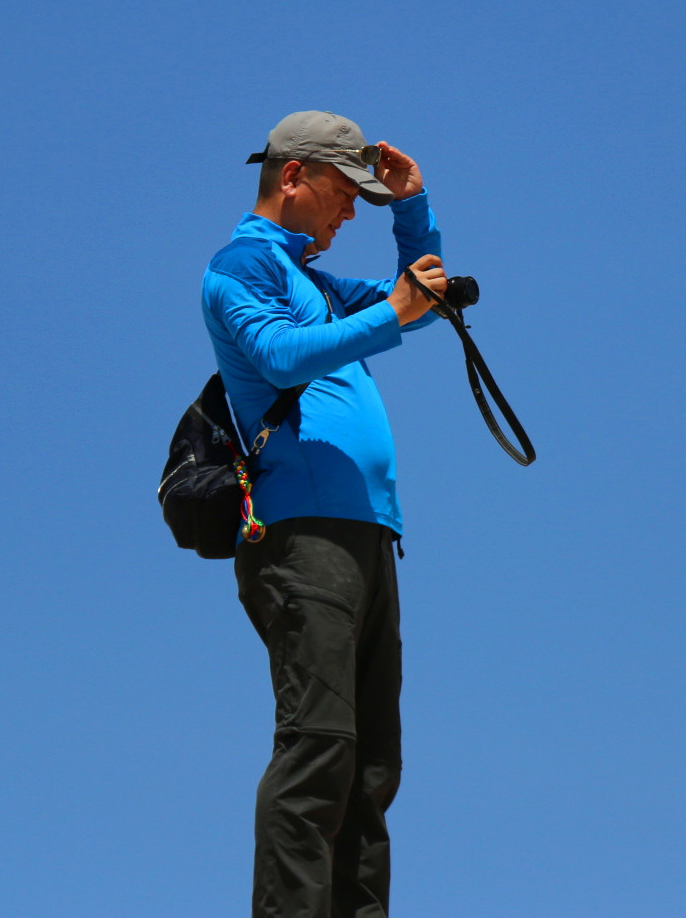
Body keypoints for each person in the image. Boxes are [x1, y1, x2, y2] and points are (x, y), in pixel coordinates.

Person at [201, 110, 448, 918]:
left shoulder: (312, 278)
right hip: (303, 537)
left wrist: (410, 209)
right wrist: (391, 314)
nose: (350, 215)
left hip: (368, 536)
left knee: (371, 762)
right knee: (320, 747)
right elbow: (277, 354)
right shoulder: (242, 266)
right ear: (295, 175)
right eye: (346, 195)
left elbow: (422, 297)